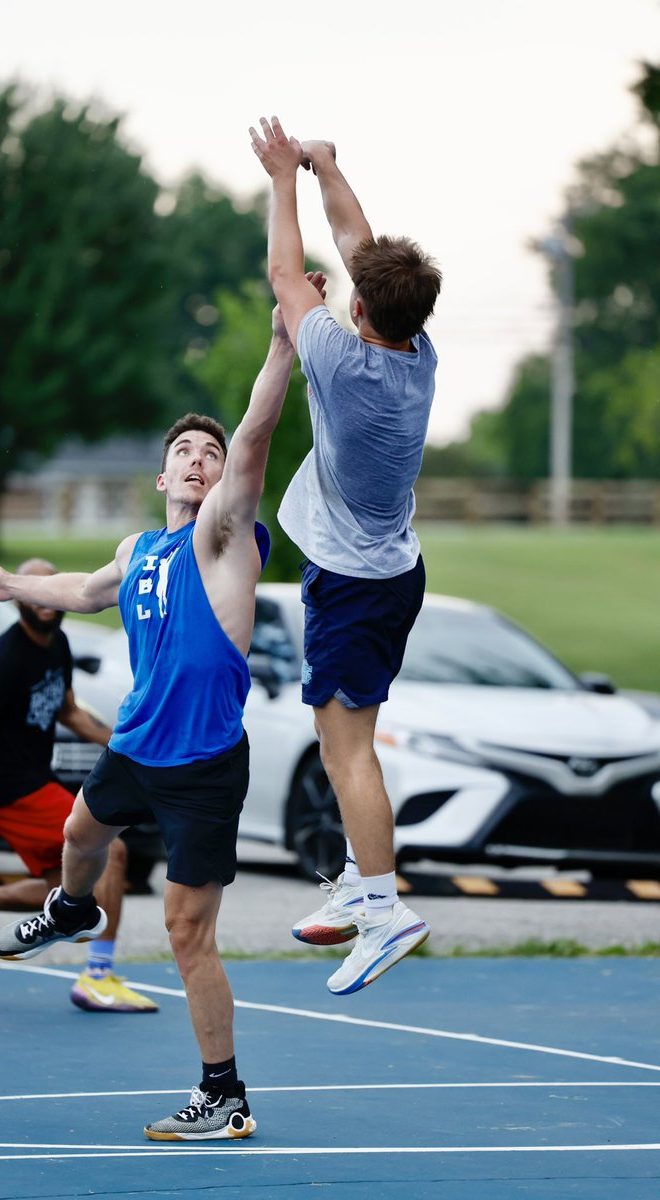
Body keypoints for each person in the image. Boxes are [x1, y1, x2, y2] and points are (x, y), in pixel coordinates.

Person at [0, 283, 325, 1142]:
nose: (202, 459)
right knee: (81, 841)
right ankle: (74, 908)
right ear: (162, 476)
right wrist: (14, 583)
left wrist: (280, 350)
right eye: (187, 452)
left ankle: (223, 1093)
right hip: (135, 747)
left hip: (202, 763)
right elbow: (81, 590)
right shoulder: (139, 551)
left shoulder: (224, 536)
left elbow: (257, 444)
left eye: (212, 450)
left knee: (185, 931)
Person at [250, 116, 442, 996]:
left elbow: (288, 275)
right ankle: (363, 887)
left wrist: (284, 174)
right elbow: (357, 244)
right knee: (344, 740)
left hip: (357, 584)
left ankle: (383, 905)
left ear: (357, 309)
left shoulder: (336, 359)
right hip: (390, 572)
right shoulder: (415, 353)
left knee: (345, 749)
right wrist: (330, 165)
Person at [0, 557, 157, 1015]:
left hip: (33, 780)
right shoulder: (5, 658)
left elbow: (68, 709)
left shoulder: (57, 644)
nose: (47, 598)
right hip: (7, 790)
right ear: (20, 595)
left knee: (66, 885)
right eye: (36, 586)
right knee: (110, 854)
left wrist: (122, 739)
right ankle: (97, 976)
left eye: (52, 585)